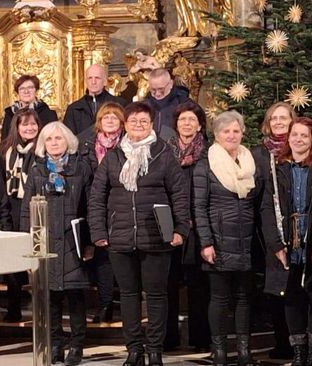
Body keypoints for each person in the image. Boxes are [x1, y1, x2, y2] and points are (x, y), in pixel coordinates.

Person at [89, 102, 191, 366]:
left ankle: (155, 349)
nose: (138, 125)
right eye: (133, 121)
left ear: (151, 124)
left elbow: (179, 194)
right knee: (129, 295)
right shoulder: (113, 157)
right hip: (120, 237)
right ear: (125, 125)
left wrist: (180, 228)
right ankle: (134, 349)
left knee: (156, 295)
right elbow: (97, 196)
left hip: (156, 236)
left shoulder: (163, 154)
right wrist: (98, 231)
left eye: (143, 121)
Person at [193, 111, 269, 366]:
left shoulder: (250, 161)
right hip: (218, 240)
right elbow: (199, 207)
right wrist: (206, 242)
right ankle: (220, 351)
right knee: (219, 298)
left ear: (242, 133)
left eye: (236, 131)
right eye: (226, 131)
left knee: (244, 298)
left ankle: (244, 350)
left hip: (246, 239)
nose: (231, 135)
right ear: (217, 134)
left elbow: (258, 202)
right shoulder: (206, 165)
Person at [260, 118, 312, 366]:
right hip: (288, 242)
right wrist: (276, 244)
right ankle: (299, 353)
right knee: (292, 297)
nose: (299, 139)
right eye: (295, 134)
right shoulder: (278, 168)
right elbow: (267, 209)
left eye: (304, 135)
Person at [19, 122, 94, 366]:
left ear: (68, 141)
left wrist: (90, 241)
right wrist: (28, 241)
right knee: (50, 297)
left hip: (74, 240)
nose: (54, 143)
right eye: (49, 139)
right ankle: (55, 345)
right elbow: (26, 210)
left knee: (75, 295)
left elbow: (91, 205)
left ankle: (77, 346)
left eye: (58, 138)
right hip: (46, 241)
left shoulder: (81, 168)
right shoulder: (37, 170)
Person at [163, 102, 212, 352]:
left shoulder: (209, 153)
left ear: (200, 125)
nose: (187, 123)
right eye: (182, 119)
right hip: (171, 225)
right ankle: (168, 338)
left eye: (192, 119)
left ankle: (200, 338)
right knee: (168, 282)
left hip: (198, 225)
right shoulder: (165, 151)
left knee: (198, 284)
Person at [252, 102, 297, 360]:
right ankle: (282, 340)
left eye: (284, 118)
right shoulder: (259, 153)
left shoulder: (298, 147)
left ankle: (299, 341)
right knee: (275, 286)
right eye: (274, 119)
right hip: (268, 226)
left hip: (295, 226)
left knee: (295, 287)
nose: (278, 122)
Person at [77, 102, 126, 324]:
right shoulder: (87, 145)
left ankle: (126, 306)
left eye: (114, 117)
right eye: (106, 117)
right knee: (101, 257)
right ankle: (105, 305)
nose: (110, 120)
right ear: (99, 121)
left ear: (121, 122)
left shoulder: (128, 145)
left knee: (121, 257)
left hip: (119, 205)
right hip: (95, 204)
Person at [0, 107, 42, 322]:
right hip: (12, 208)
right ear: (17, 127)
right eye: (25, 124)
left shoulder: (43, 149)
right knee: (14, 259)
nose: (30, 128)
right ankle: (14, 307)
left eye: (33, 124)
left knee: (37, 256)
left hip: (37, 207)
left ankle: (41, 308)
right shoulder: (5, 151)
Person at [63, 63, 127, 136]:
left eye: (97, 78)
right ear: (86, 81)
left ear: (105, 81)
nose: (93, 82)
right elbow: (68, 138)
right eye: (90, 78)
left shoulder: (120, 104)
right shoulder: (74, 109)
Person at [144, 68, 193, 138]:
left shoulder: (185, 105)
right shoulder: (143, 106)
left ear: (171, 84)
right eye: (153, 90)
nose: (157, 93)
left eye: (161, 89)